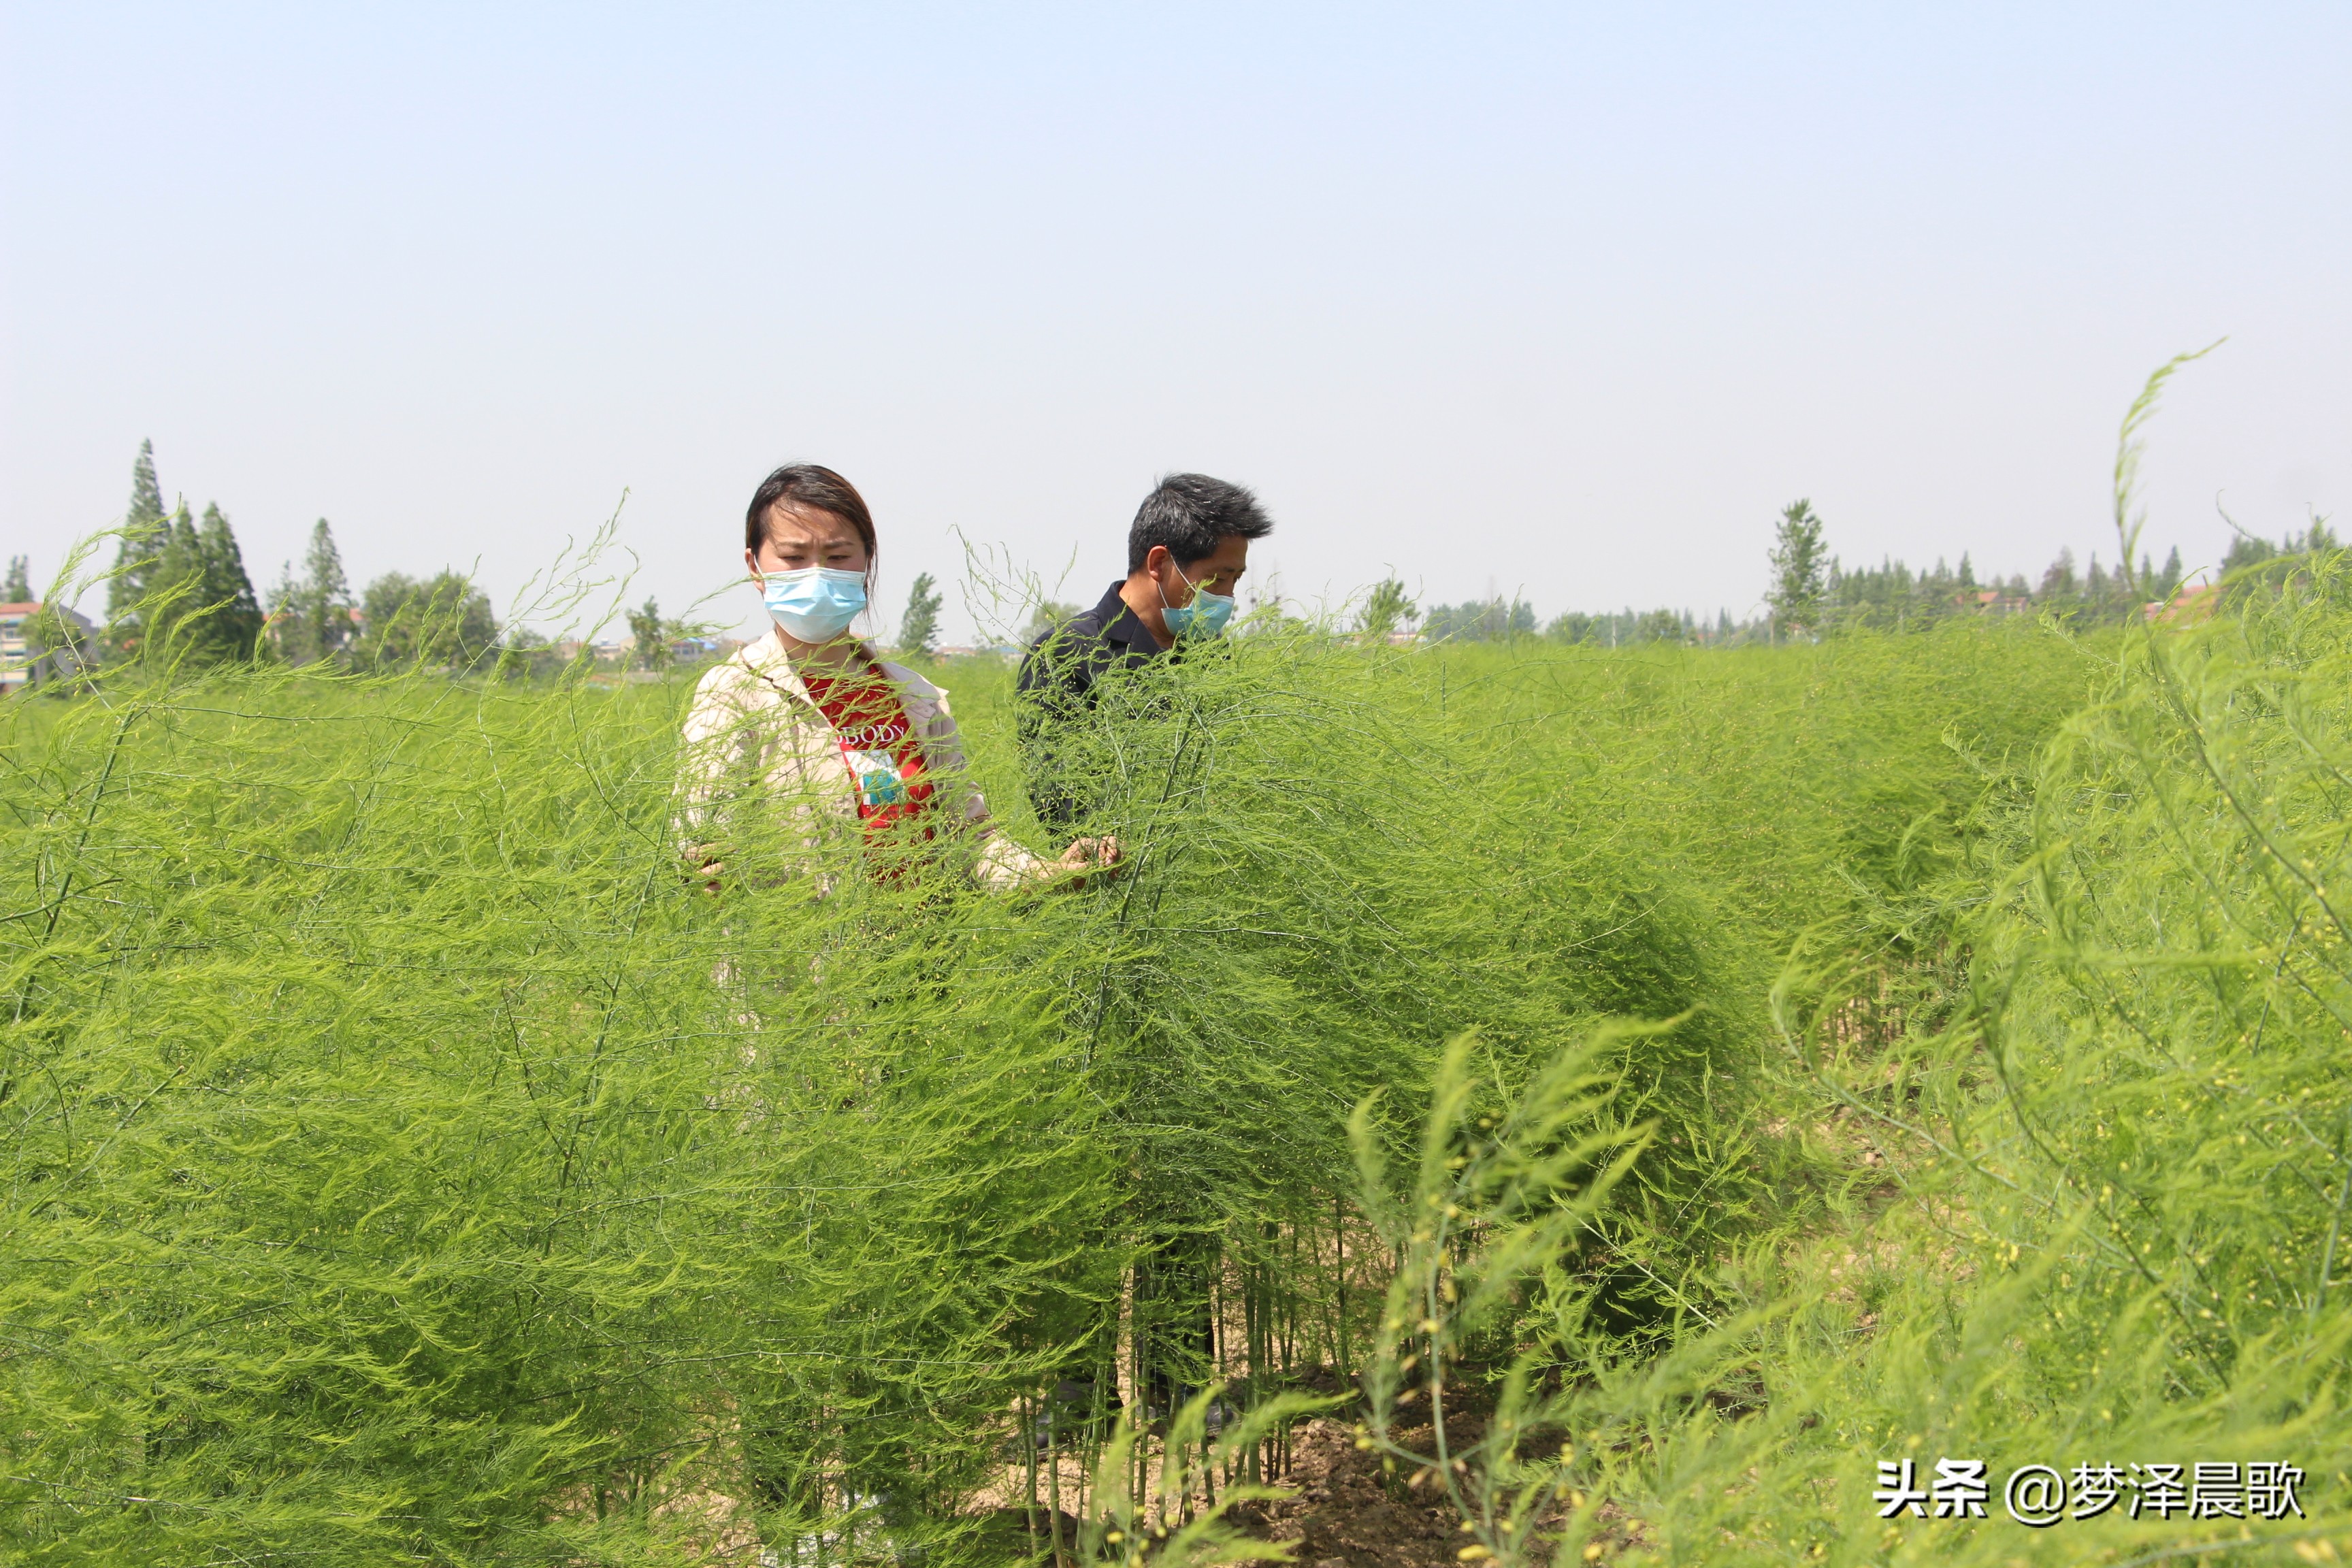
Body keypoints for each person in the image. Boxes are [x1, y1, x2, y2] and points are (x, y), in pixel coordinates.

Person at [679, 463, 1117, 894]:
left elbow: (973, 844)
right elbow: (707, 845)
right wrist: (708, 864)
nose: (816, 574)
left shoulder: (914, 697)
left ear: (866, 563)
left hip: (919, 955)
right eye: (794, 557)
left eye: (837, 557)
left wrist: (1047, 872)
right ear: (755, 566)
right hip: (800, 960)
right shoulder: (735, 695)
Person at [1014, 473, 1274, 828]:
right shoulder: (1067, 652)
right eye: (1217, 578)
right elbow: (1059, 797)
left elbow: (1235, 764)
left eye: (1236, 579)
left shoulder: (1211, 653)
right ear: (1159, 563)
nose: (1228, 596)